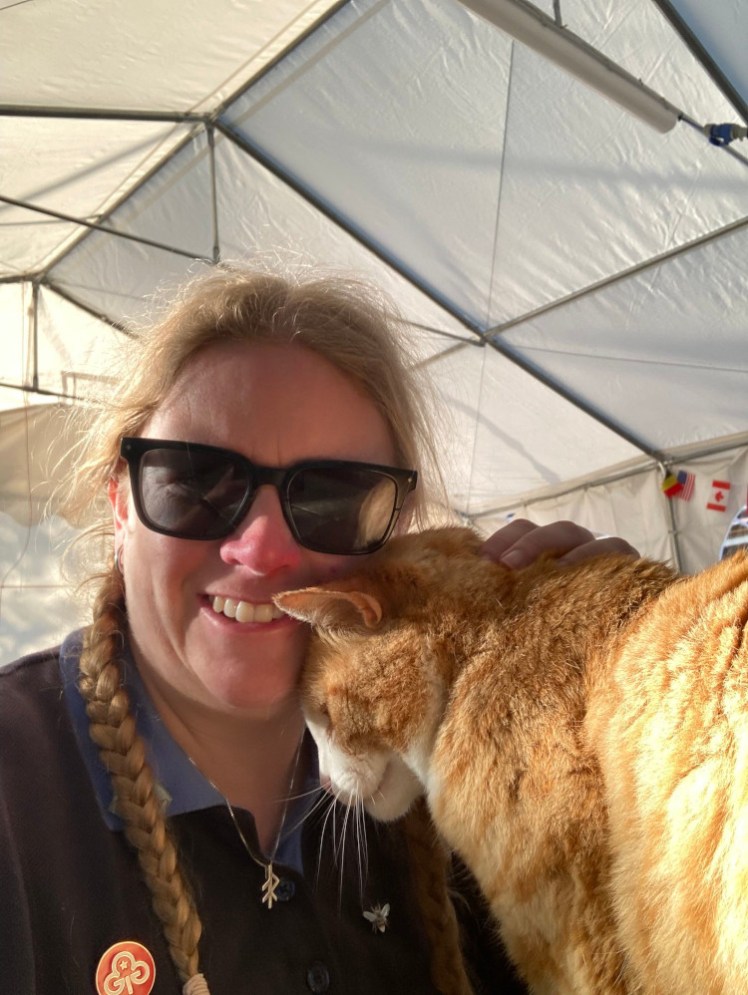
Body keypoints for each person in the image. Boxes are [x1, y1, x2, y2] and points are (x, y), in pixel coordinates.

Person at [0, 264, 637, 995]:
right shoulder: (19, 792)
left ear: (396, 531)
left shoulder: (455, 767)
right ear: (120, 503)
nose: (263, 550)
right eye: (198, 482)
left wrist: (630, 736)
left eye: (332, 496)